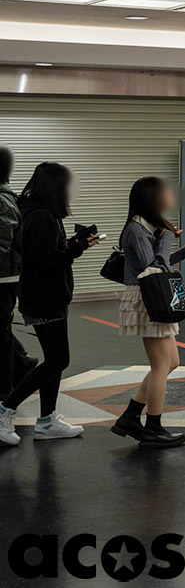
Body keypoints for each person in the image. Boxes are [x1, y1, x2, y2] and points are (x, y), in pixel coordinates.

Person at [0, 163, 99, 446]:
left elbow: (44, 253)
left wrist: (71, 244)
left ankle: (47, 420)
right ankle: (5, 409)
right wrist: (77, 248)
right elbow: (47, 262)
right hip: (45, 298)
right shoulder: (42, 216)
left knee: (54, 360)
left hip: (46, 297)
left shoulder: (36, 212)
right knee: (58, 360)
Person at [110, 177, 185, 449]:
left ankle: (130, 416)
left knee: (171, 362)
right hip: (148, 299)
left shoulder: (147, 226)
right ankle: (153, 427)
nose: (170, 196)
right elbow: (153, 266)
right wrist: (166, 237)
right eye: (164, 192)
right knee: (161, 366)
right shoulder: (136, 229)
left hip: (154, 296)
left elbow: (162, 263)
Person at [0, 148, 20, 403]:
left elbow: (2, 243)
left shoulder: (3, 201)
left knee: (1, 334)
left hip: (4, 277)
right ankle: (23, 363)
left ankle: (5, 387)